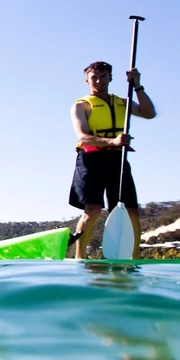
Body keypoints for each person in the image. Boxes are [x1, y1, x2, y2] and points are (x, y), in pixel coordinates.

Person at [70, 61, 156, 259]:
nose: (99, 81)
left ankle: (133, 260)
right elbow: (83, 137)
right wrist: (113, 140)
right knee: (93, 210)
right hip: (91, 159)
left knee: (132, 212)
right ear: (87, 80)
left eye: (103, 77)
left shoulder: (122, 103)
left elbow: (149, 113)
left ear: (111, 78)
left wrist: (137, 86)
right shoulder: (81, 105)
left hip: (118, 159)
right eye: (94, 77)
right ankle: (80, 258)